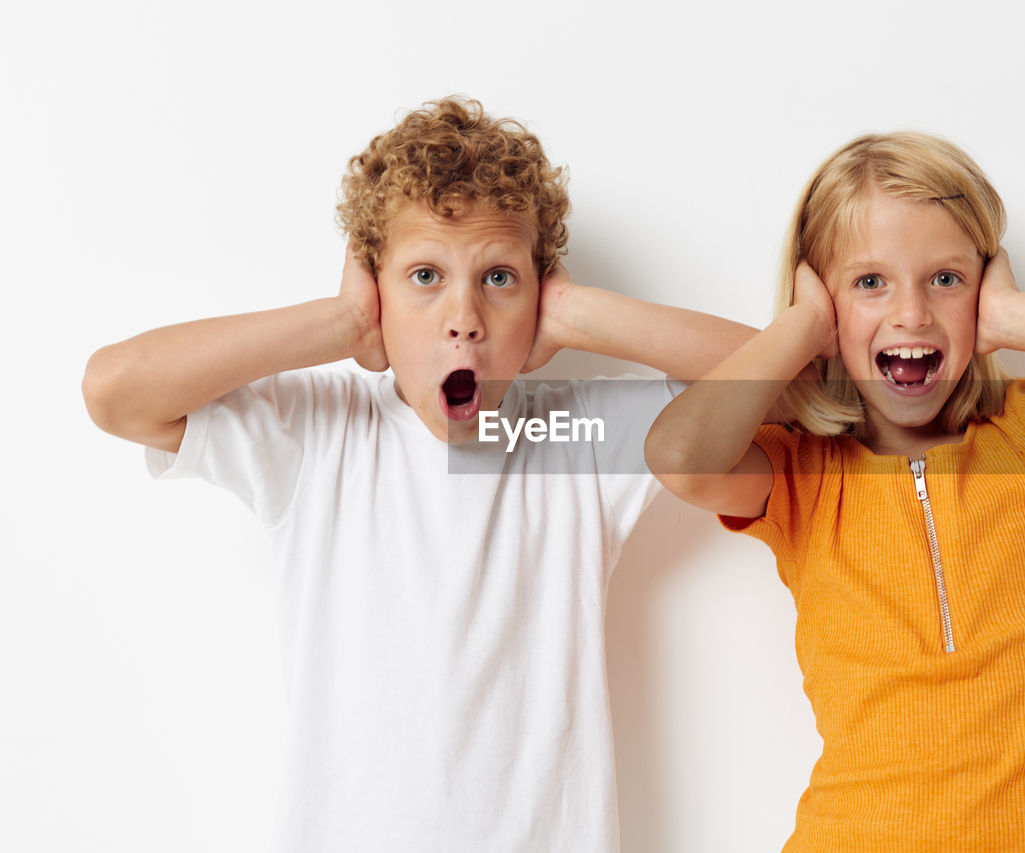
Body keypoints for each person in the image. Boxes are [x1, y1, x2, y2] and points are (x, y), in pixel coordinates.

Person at [81, 97, 755, 853]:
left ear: (540, 292)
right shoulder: (318, 433)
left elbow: (787, 387)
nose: (463, 316)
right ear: (376, 290)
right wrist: (341, 324)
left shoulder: (574, 436)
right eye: (425, 275)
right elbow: (115, 391)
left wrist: (578, 314)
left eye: (499, 277)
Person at [643, 132, 1025, 851]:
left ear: (986, 284)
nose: (911, 314)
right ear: (821, 299)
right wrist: (802, 327)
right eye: (868, 282)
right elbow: (679, 455)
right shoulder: (798, 476)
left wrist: (1019, 318)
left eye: (945, 278)